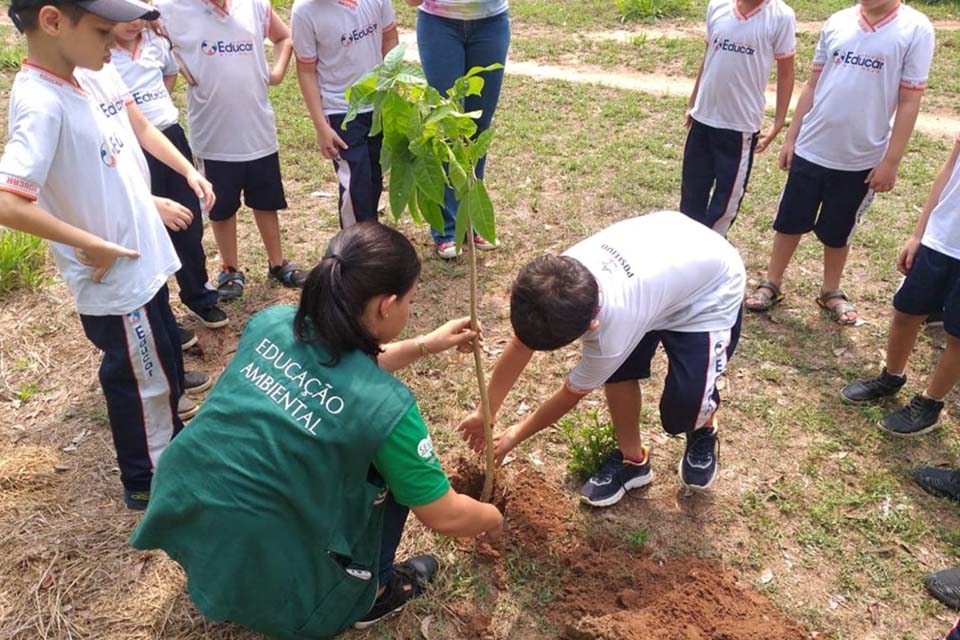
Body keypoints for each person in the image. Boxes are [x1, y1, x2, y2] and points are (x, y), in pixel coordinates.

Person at [130, 223, 504, 638]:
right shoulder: (389, 411)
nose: (410, 312)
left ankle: (227, 563)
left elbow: (332, 373)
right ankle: (373, 590)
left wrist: (425, 345)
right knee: (391, 484)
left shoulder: (273, 323)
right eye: (411, 302)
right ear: (386, 304)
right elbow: (446, 515)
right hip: (266, 543)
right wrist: (494, 516)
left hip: (187, 498)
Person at [0, 0, 216, 509]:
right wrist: (89, 242)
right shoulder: (40, 102)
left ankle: (172, 453)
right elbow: (8, 200)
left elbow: (131, 135)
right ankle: (147, 480)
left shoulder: (90, 74)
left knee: (164, 363)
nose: (114, 40)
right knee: (139, 380)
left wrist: (166, 186)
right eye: (102, 30)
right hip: (114, 279)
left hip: (142, 262)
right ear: (53, 21)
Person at [458, 211, 745, 507]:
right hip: (659, 262)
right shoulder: (556, 280)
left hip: (707, 289)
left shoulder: (610, 333)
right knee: (618, 372)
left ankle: (704, 425)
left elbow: (569, 395)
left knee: (683, 411)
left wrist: (514, 435)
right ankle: (633, 461)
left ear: (591, 325)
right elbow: (522, 344)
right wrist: (486, 411)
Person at [745, 0, 934, 325]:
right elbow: (813, 84)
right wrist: (792, 137)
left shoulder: (916, 29)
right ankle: (771, 282)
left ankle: (830, 290)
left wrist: (890, 161)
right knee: (789, 220)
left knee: (839, 229)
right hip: (812, 148)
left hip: (861, 157)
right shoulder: (838, 21)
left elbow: (909, 100)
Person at [155, 0, 306, 300]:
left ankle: (278, 263)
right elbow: (150, 44)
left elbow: (283, 36)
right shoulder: (168, 10)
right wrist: (175, 71)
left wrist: (275, 73)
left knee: (266, 200)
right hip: (213, 135)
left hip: (258, 128)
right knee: (221, 208)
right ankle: (230, 269)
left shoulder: (253, 4)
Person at [111, 16, 228, 330]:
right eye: (125, 13)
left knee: (188, 222)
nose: (134, 21)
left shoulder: (156, 42)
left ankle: (199, 295)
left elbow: (170, 73)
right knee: (149, 230)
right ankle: (162, 316)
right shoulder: (100, 57)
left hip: (170, 139)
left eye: (142, 11)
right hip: (132, 148)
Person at [840, 132, 960, 435]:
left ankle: (931, 403)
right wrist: (919, 233)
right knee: (906, 311)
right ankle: (891, 377)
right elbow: (949, 169)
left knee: (957, 336)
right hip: (941, 238)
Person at [681, 0, 796, 237]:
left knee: (726, 200)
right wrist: (693, 102)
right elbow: (708, 55)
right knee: (692, 193)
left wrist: (778, 123)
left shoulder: (780, 16)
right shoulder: (717, 6)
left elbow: (786, 72)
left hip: (740, 126)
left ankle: (710, 247)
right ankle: (688, 250)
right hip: (703, 118)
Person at [409, 0, 509, 259]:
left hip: (491, 24)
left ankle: (473, 219)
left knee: (478, 128)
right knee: (448, 125)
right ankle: (447, 228)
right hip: (439, 25)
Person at [292, 0, 398, 229]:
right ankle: (356, 247)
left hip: (378, 103)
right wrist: (321, 126)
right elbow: (306, 71)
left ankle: (371, 240)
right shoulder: (304, 11)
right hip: (340, 109)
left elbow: (389, 38)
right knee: (355, 183)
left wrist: (393, 88)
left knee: (373, 178)